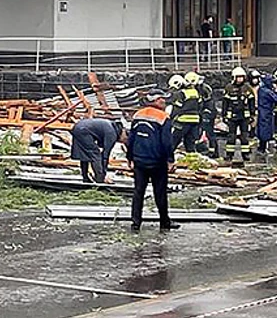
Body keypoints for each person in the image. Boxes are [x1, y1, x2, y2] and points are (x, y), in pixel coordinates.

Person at [127, 89, 179, 233]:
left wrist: (129, 157)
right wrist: (170, 160)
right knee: (160, 192)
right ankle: (164, 222)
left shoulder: (138, 115)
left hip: (139, 160)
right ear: (156, 100)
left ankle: (135, 223)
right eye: (162, 99)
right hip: (157, 161)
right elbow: (167, 142)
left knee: (138, 192)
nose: (164, 101)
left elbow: (131, 139)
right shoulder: (163, 117)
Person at [71, 118, 126, 184]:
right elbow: (105, 155)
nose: (122, 142)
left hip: (78, 127)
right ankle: (100, 179)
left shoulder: (111, 127)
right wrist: (104, 175)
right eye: (124, 140)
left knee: (84, 155)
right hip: (84, 130)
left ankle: (85, 177)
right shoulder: (112, 134)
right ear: (124, 134)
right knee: (95, 154)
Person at [223, 66, 255, 162]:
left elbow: (251, 102)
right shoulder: (229, 88)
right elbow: (225, 102)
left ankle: (245, 154)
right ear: (234, 77)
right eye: (238, 77)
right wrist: (223, 115)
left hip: (244, 116)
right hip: (232, 116)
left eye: (241, 77)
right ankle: (229, 155)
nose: (240, 79)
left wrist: (252, 114)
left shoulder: (247, 88)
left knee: (244, 136)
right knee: (231, 137)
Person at [171, 72, 202, 153]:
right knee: (190, 143)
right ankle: (192, 160)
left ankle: (167, 159)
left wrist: (170, 119)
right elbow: (200, 106)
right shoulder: (196, 92)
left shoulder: (181, 93)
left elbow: (176, 108)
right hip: (195, 121)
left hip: (182, 121)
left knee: (174, 141)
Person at [256, 73, 277, 157]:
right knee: (265, 130)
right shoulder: (266, 91)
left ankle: (262, 147)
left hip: (263, 112)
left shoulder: (261, 89)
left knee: (263, 130)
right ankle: (262, 148)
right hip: (266, 113)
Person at [197, 75, 218, 158]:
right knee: (200, 133)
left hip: (208, 112)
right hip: (203, 112)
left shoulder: (205, 89)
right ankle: (203, 149)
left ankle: (213, 152)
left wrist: (206, 115)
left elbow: (207, 100)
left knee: (209, 133)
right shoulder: (200, 89)